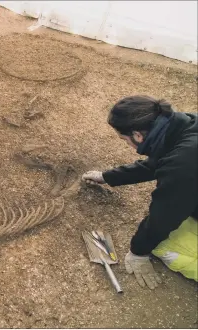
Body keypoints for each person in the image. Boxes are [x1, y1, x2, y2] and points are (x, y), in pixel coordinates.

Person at [82, 95, 197, 288]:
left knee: (162, 244)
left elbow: (164, 217)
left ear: (137, 135)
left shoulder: (183, 163)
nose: (125, 143)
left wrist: (138, 252)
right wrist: (108, 177)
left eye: (123, 138)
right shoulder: (185, 126)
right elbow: (159, 163)